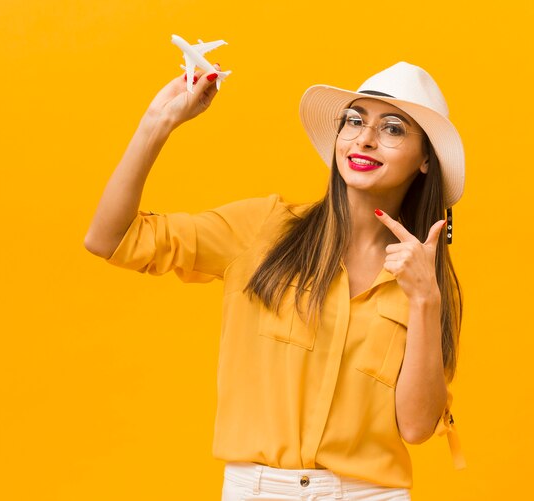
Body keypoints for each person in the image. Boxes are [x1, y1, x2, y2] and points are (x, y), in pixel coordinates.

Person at [84, 60, 467, 501]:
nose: (365, 138)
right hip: (258, 491)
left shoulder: (425, 283)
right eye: (355, 121)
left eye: (393, 128)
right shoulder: (263, 229)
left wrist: (424, 301)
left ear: (425, 160)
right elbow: (111, 239)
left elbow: (417, 428)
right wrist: (158, 124)